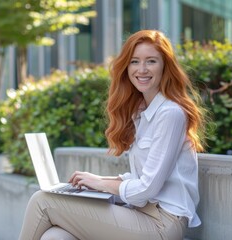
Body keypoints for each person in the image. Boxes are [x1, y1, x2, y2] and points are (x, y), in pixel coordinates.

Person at [18, 29, 206, 240]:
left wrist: (99, 184)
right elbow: (141, 177)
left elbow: (148, 188)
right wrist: (95, 180)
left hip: (162, 223)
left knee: (42, 201)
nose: (141, 69)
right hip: (140, 213)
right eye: (134, 61)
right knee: (54, 236)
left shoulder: (170, 114)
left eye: (151, 61)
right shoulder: (142, 113)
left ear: (165, 66)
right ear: (126, 67)